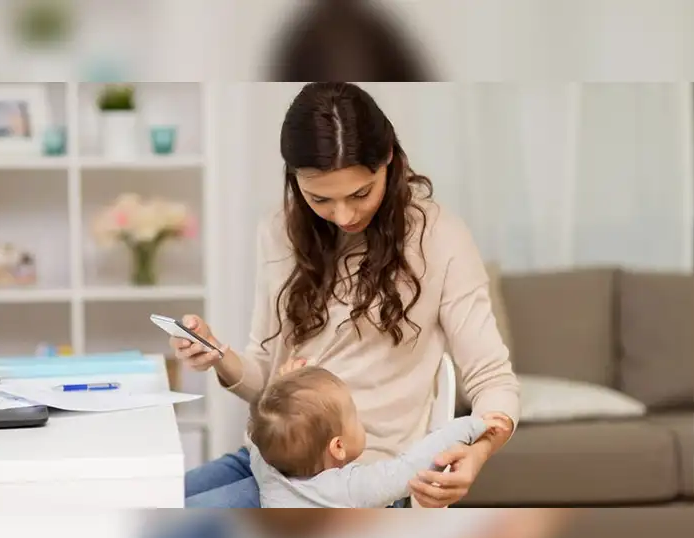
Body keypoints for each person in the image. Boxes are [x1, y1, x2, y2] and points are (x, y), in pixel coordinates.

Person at [170, 81, 519, 508]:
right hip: (268, 464)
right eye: (320, 198)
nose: (344, 215)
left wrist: (478, 451)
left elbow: (493, 380)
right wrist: (216, 354)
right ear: (294, 178)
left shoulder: (440, 237)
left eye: (360, 193)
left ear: (388, 159)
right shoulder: (278, 232)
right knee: (136, 499)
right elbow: (266, 381)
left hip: (357, 482)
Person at [248, 365, 492, 508]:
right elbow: (411, 468)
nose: (359, 417)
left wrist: (282, 385)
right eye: (353, 414)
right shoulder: (351, 489)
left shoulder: (268, 471)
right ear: (338, 446)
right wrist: (470, 426)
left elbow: (259, 440)